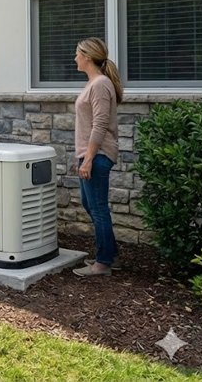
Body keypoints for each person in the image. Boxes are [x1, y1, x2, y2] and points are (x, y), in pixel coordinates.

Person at [72, 37, 123, 277]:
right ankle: (110, 254)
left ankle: (103, 263)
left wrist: (90, 158)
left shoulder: (100, 84)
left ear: (88, 57)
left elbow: (100, 124)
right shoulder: (94, 83)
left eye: (78, 54)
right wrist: (82, 156)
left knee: (98, 207)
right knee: (90, 204)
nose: (75, 59)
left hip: (99, 154)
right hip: (89, 154)